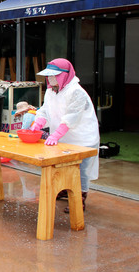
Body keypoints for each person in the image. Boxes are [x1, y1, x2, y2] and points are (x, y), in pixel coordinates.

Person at [31, 58, 99, 213]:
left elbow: (71, 118)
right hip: (65, 138)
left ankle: (79, 199)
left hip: (83, 139)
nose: (51, 79)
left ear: (65, 75)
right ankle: (65, 190)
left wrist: (55, 135)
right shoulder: (50, 91)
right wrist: (38, 124)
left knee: (81, 170)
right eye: (49, 76)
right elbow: (45, 110)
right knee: (63, 166)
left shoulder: (76, 92)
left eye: (55, 76)